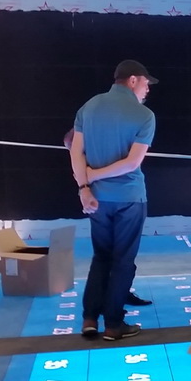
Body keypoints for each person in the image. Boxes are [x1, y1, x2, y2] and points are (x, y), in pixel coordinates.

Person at [70, 60, 157, 340]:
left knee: (101, 257)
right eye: (145, 83)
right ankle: (113, 325)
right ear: (132, 80)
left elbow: (75, 151)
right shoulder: (144, 115)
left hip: (96, 199)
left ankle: (89, 319)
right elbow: (132, 163)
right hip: (129, 198)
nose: (147, 89)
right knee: (122, 260)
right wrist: (94, 176)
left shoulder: (89, 107)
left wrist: (85, 186)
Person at [64, 127, 152, 308]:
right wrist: (86, 187)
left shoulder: (112, 134)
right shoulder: (83, 135)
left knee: (119, 256)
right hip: (105, 201)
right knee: (110, 257)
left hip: (119, 198)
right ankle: (106, 306)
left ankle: (117, 296)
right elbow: (79, 170)